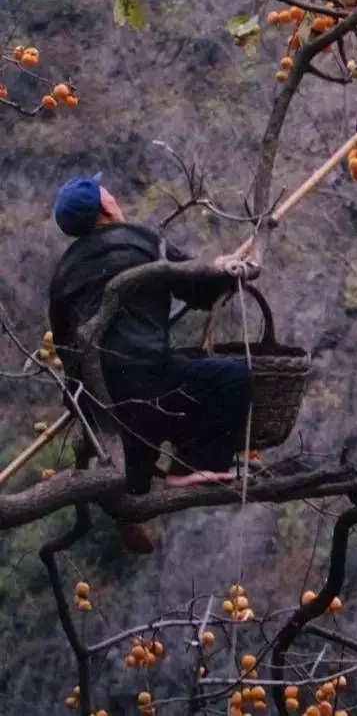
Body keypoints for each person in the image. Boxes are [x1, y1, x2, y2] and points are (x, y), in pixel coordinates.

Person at [48, 173, 254, 553]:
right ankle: (192, 467)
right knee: (230, 379)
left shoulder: (63, 272)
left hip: (98, 398)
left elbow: (62, 342)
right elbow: (200, 288)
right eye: (108, 193)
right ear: (106, 207)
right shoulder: (140, 240)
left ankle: (131, 508)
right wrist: (225, 270)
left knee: (135, 435)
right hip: (149, 381)